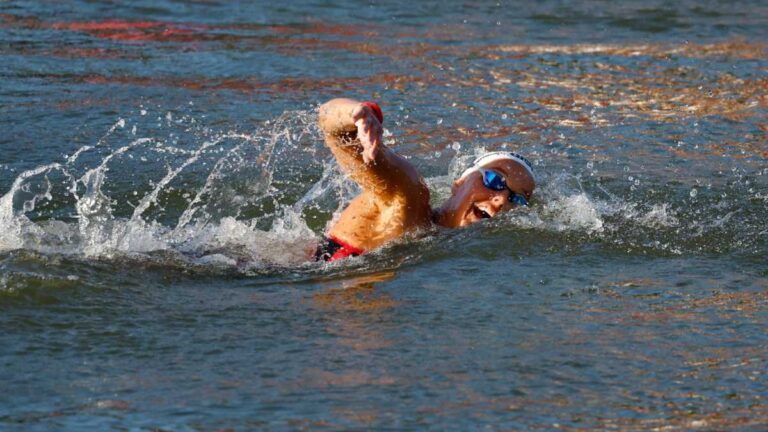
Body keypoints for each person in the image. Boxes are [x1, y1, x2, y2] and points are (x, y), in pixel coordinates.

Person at [315, 98, 536, 262]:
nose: (500, 201)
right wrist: (358, 113)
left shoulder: (443, 248)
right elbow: (328, 120)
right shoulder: (408, 196)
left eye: (516, 199)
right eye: (495, 180)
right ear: (459, 182)